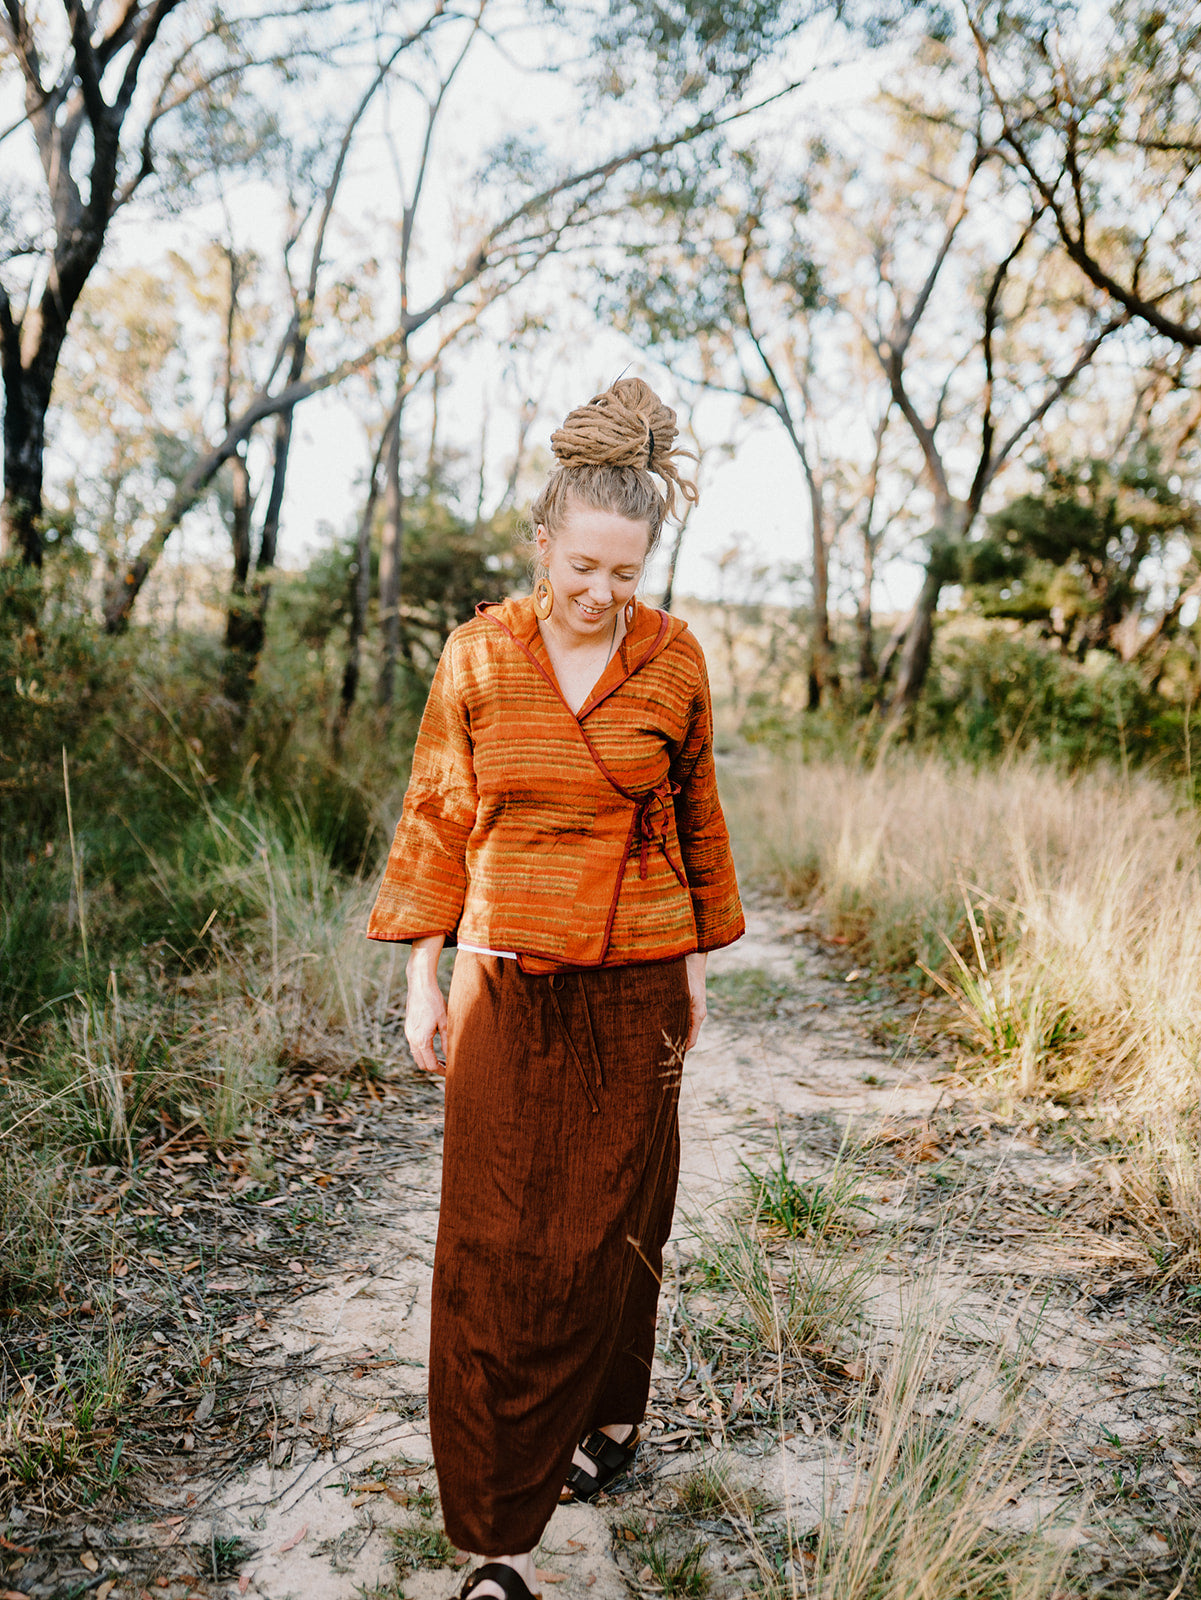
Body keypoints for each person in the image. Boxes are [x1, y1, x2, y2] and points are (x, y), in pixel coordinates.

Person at [366, 376, 744, 1600]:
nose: (601, 592)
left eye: (625, 573)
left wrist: (691, 978)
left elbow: (694, 824)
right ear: (542, 540)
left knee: (618, 1219)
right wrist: (423, 979)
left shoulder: (673, 660)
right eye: (583, 565)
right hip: (504, 981)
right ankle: (491, 1540)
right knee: (491, 1243)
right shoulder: (479, 655)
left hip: (635, 982)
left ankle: (609, 1418)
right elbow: (437, 814)